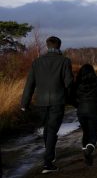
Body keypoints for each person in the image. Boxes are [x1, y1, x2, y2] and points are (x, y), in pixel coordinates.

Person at [21, 36, 73, 174]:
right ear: (59, 46)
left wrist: (24, 104)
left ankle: (50, 154)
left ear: (47, 46)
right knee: (51, 130)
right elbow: (69, 83)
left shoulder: (36, 62)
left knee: (47, 129)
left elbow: (29, 85)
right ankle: (48, 163)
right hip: (58, 101)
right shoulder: (65, 61)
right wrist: (70, 99)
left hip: (41, 102)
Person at [72, 64, 97, 166]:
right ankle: (89, 150)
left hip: (81, 110)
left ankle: (87, 156)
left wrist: (77, 105)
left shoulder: (77, 83)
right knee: (93, 134)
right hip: (94, 110)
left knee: (85, 132)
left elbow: (72, 96)